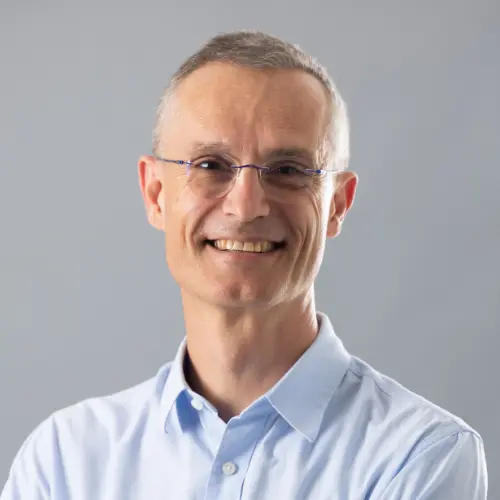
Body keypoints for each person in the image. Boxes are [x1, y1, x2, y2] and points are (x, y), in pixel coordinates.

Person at [1, 30, 488, 500]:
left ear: (337, 204)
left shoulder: (420, 455)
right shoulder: (64, 459)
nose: (247, 205)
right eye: (210, 165)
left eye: (288, 170)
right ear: (155, 193)